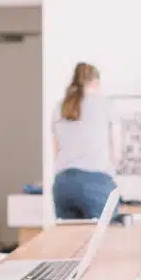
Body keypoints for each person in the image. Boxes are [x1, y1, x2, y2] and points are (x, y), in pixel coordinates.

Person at [51, 63, 120, 220]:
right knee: (104, 240)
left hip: (64, 185)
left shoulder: (60, 107)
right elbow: (116, 154)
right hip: (97, 182)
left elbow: (56, 152)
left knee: (69, 241)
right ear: (95, 82)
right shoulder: (107, 105)